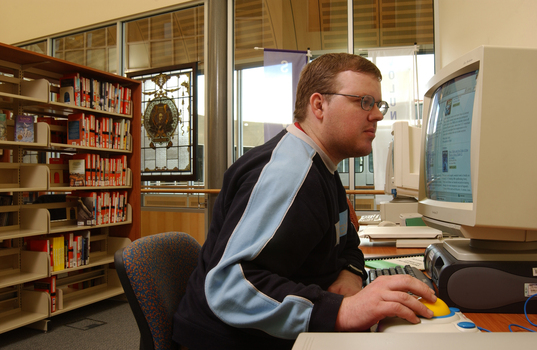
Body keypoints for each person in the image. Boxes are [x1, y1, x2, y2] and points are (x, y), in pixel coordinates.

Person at [172, 53, 436, 350]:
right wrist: (342, 310)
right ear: (319, 105)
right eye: (364, 101)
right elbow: (231, 288)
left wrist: (351, 271)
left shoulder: (322, 165)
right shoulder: (289, 173)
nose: (376, 114)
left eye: (378, 104)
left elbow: (346, 242)